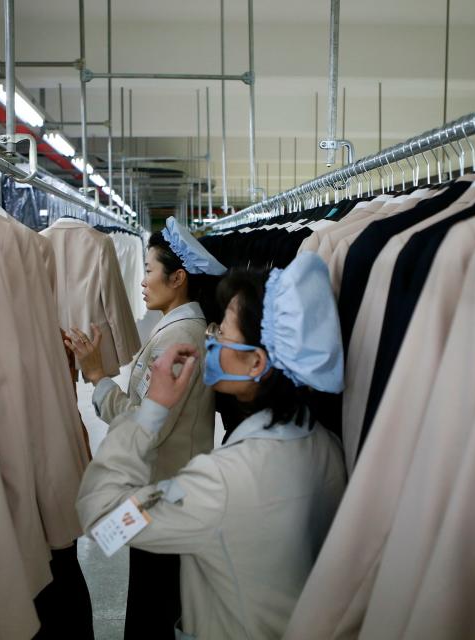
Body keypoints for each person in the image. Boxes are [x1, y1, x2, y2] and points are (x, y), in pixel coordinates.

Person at [76, 252, 349, 640]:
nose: (211, 338)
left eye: (223, 334)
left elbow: (106, 523)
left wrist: (152, 412)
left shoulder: (219, 483)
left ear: (256, 362)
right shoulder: (326, 446)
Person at [65, 216, 226, 640]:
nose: (143, 281)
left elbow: (145, 424)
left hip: (167, 495)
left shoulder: (180, 339)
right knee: (157, 603)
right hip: (165, 491)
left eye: (150, 271)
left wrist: (98, 376)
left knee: (153, 610)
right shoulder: (177, 329)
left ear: (178, 278)